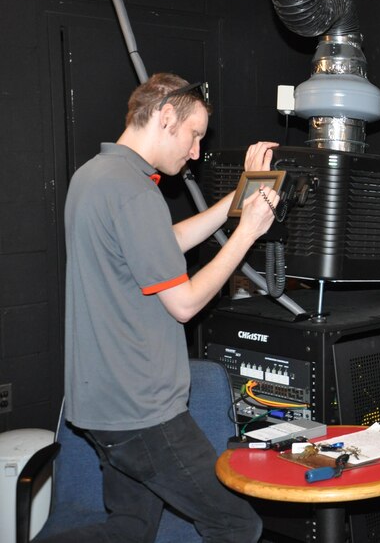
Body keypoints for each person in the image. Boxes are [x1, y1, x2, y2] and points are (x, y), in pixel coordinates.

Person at [50, 73, 279, 543]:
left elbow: (164, 244)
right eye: (194, 134)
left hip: (100, 407)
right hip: (141, 413)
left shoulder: (94, 176)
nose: (196, 151)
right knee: (237, 523)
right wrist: (247, 232)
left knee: (130, 529)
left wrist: (237, 199)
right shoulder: (134, 191)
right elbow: (185, 303)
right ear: (165, 115)